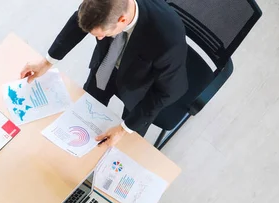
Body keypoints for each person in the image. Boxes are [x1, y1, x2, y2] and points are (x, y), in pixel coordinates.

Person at [21, 0, 188, 145]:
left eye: (103, 34)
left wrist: (124, 129)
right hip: (106, 65)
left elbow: (170, 91)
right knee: (82, 117)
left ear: (122, 19)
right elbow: (78, 23)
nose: (99, 39)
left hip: (142, 86)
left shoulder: (168, 39)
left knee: (124, 144)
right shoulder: (101, 4)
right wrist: (46, 62)